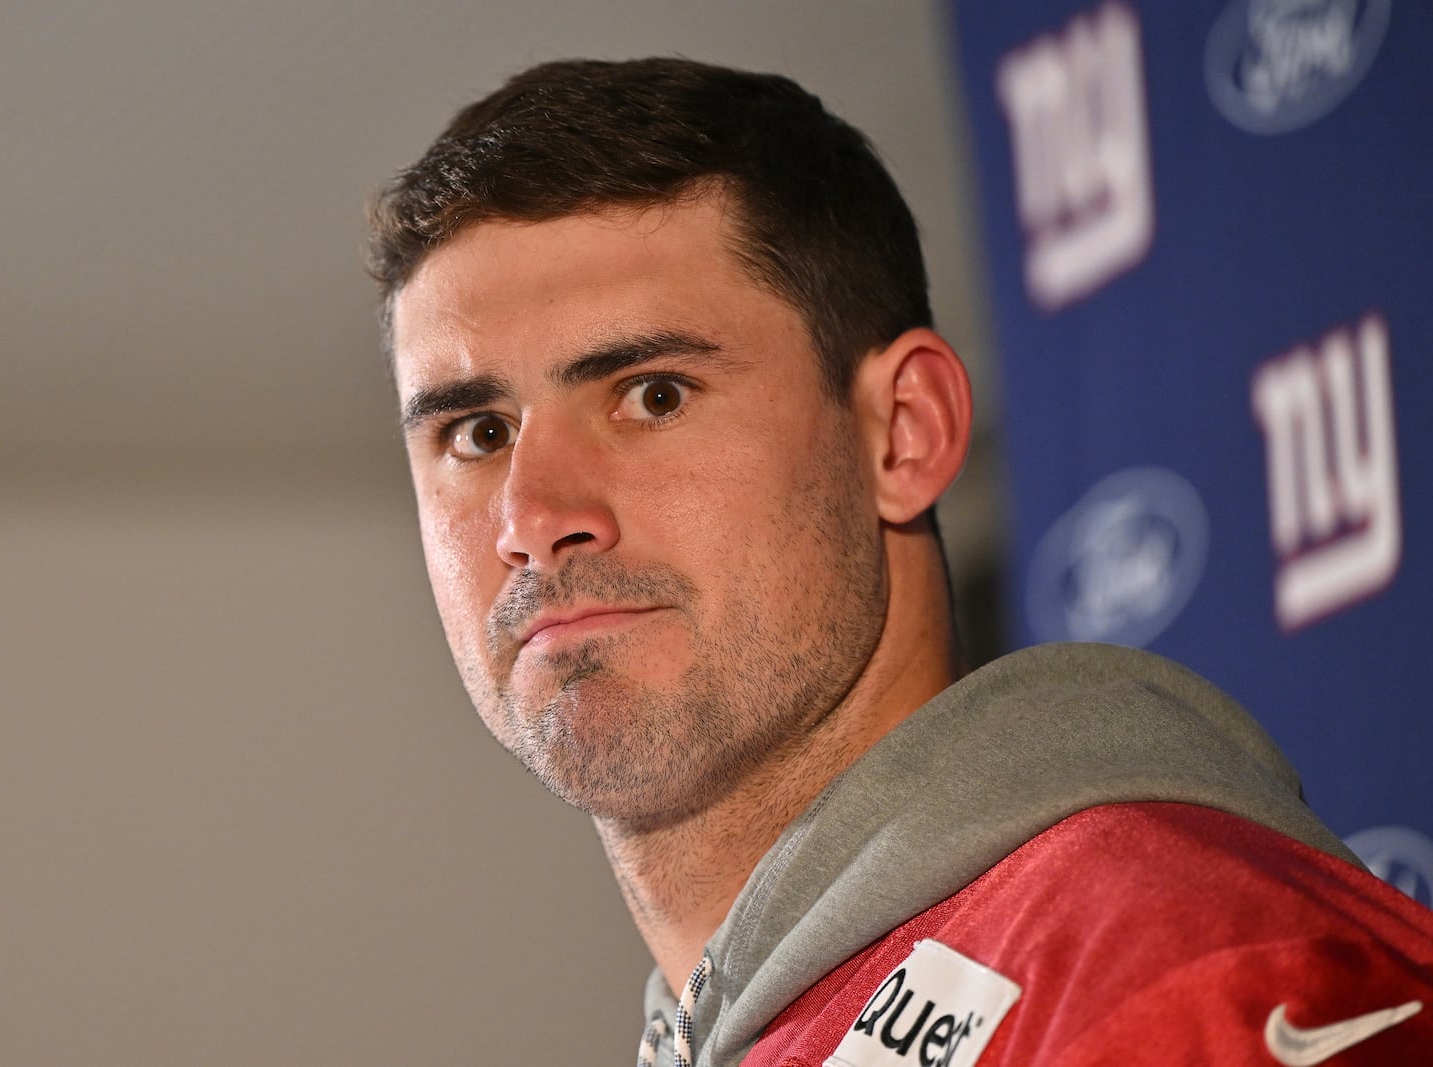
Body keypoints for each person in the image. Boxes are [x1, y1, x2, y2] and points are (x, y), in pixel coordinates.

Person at [366, 57, 1433, 1066]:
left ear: (903, 433)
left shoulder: (1193, 960)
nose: (533, 515)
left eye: (652, 394)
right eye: (475, 433)